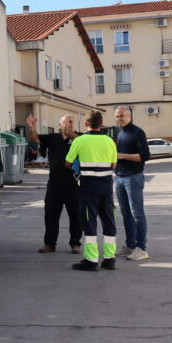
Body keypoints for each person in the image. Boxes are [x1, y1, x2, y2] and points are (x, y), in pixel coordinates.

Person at [64, 110, 118, 271]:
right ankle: (109, 259)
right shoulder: (110, 141)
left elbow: (67, 163)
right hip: (106, 187)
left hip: (88, 188)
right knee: (109, 221)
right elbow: (114, 165)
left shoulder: (79, 141)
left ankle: (91, 260)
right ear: (101, 124)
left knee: (89, 222)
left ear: (86, 124)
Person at [25, 113, 82, 254]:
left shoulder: (79, 138)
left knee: (75, 216)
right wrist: (31, 127)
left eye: (71, 122)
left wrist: (71, 134)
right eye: (66, 122)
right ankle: (49, 243)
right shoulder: (53, 138)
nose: (69, 124)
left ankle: (75, 244)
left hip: (74, 184)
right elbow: (34, 138)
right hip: (55, 184)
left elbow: (82, 141)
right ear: (60, 125)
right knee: (50, 215)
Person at [113, 106, 151, 261]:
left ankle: (141, 249)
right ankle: (130, 246)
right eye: (116, 116)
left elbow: (145, 156)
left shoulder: (137, 132)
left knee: (137, 213)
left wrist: (122, 156)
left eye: (121, 115)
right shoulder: (121, 133)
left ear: (129, 116)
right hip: (120, 177)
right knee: (126, 214)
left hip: (133, 177)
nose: (119, 118)